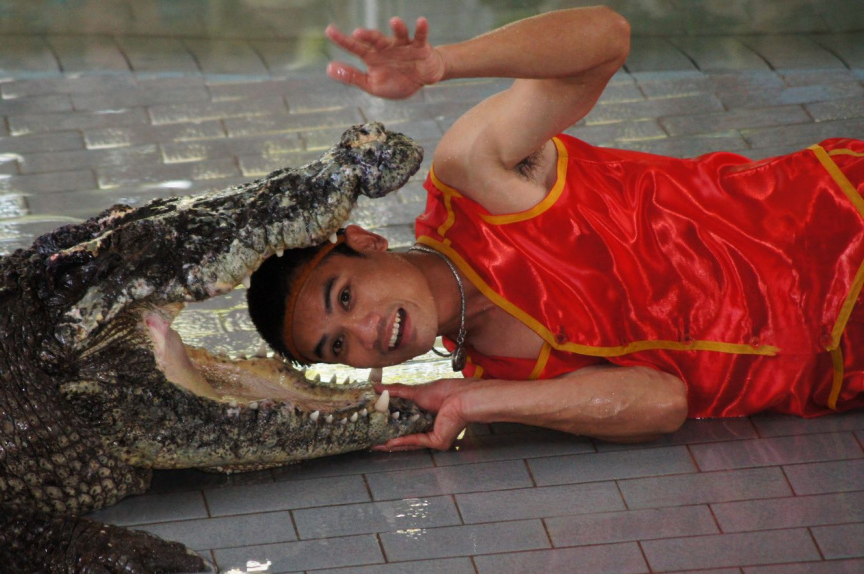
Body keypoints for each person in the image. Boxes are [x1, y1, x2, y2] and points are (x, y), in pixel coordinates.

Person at [246, 6, 864, 451]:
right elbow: (662, 402)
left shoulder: (475, 186)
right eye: (337, 346)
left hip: (839, 228)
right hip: (845, 372)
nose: (365, 332)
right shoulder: (500, 374)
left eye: (345, 298)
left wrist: (446, 64)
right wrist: (472, 400)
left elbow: (606, 37)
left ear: (365, 241)